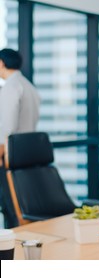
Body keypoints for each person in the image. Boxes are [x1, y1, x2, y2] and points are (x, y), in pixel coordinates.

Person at [0, 48, 40, 228]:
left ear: (1, 63)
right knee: (23, 204)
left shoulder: (10, 87)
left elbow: (7, 127)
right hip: (28, 154)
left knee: (11, 207)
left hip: (10, 156)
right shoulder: (28, 86)